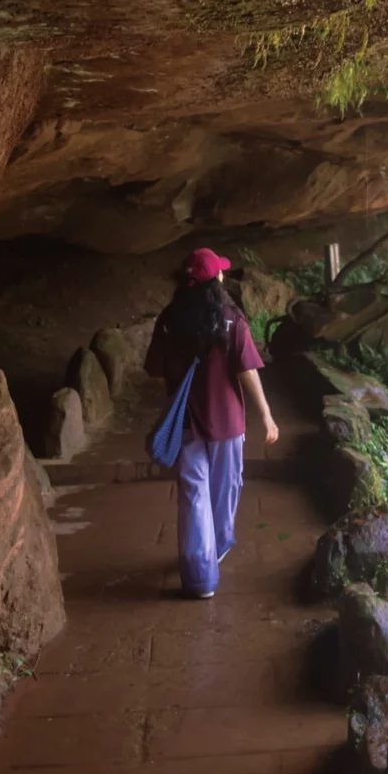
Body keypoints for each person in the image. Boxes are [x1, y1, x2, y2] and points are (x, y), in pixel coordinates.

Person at [144, 247, 279, 599]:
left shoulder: (169, 320)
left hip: (187, 421)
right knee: (225, 488)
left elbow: (156, 373)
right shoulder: (231, 319)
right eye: (221, 272)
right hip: (227, 421)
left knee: (193, 495)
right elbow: (247, 371)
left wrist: (175, 395)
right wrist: (266, 414)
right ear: (216, 279)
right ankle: (216, 547)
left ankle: (199, 575)